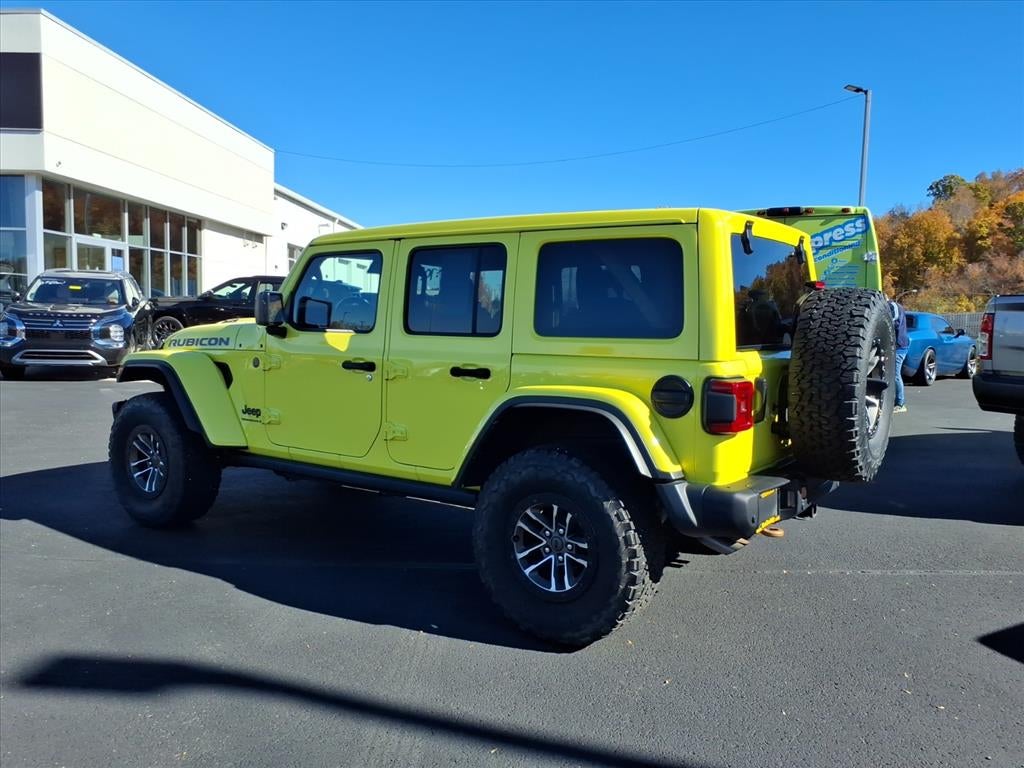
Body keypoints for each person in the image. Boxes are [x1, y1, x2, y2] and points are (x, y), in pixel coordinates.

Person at [890, 297, 910, 413]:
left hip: (899, 346)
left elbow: (893, 321)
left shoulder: (893, 306)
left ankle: (900, 403)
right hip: (900, 345)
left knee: (895, 374)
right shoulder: (896, 306)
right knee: (894, 374)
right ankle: (897, 402)